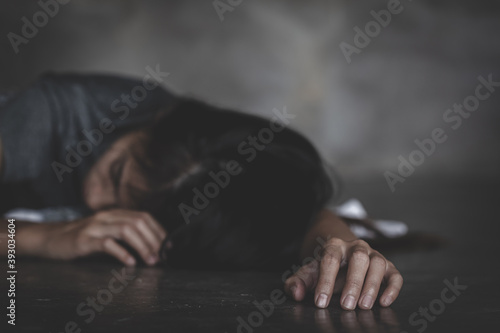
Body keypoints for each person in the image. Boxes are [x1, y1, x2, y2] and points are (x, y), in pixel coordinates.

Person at [0, 73, 402, 311]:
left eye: (136, 212)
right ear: (155, 123)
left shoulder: (215, 169)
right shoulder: (43, 119)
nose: (97, 205)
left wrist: (339, 246)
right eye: (117, 171)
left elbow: (296, 208)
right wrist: (37, 238)